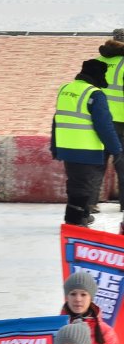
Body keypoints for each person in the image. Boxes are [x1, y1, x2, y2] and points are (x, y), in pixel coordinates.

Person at [51, 58, 122, 227]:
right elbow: (104, 125)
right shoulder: (95, 94)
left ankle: (81, 215)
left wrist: (54, 146)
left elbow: (56, 120)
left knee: (75, 181)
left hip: (66, 146)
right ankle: (75, 221)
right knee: (83, 185)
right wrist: (115, 149)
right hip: (85, 147)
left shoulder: (65, 89)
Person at [97, 29, 124, 209]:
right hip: (121, 121)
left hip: (100, 119)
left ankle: (90, 204)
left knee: (96, 163)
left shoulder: (98, 61)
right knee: (122, 162)